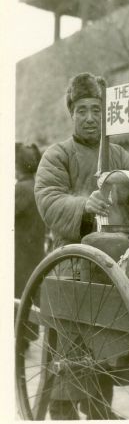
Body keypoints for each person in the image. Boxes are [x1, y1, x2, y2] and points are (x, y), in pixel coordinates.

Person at [34, 72, 129, 419]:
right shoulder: (57, 155)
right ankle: (62, 406)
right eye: (82, 110)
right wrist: (83, 205)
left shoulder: (120, 155)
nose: (90, 118)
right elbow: (47, 199)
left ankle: (97, 407)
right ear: (71, 114)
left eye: (97, 110)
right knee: (76, 331)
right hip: (72, 257)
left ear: (107, 114)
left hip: (116, 258)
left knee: (109, 335)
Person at [15, 143, 45, 346]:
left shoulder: (21, 189)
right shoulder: (36, 187)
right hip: (34, 250)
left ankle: (21, 339)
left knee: (18, 292)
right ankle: (27, 335)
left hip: (20, 252)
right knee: (30, 290)